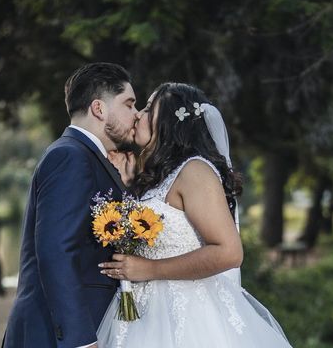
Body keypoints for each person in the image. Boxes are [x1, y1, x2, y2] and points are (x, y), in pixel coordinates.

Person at [97, 82, 293, 347]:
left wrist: (149, 269)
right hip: (144, 315)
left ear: (168, 121)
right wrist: (128, 184)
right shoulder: (159, 176)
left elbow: (229, 252)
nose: (138, 115)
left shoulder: (195, 172)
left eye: (146, 109)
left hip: (189, 315)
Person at [3, 62, 138, 348]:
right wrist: (80, 339)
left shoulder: (87, 157)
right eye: (129, 104)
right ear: (99, 108)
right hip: (56, 335)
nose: (136, 115)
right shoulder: (70, 157)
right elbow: (56, 251)